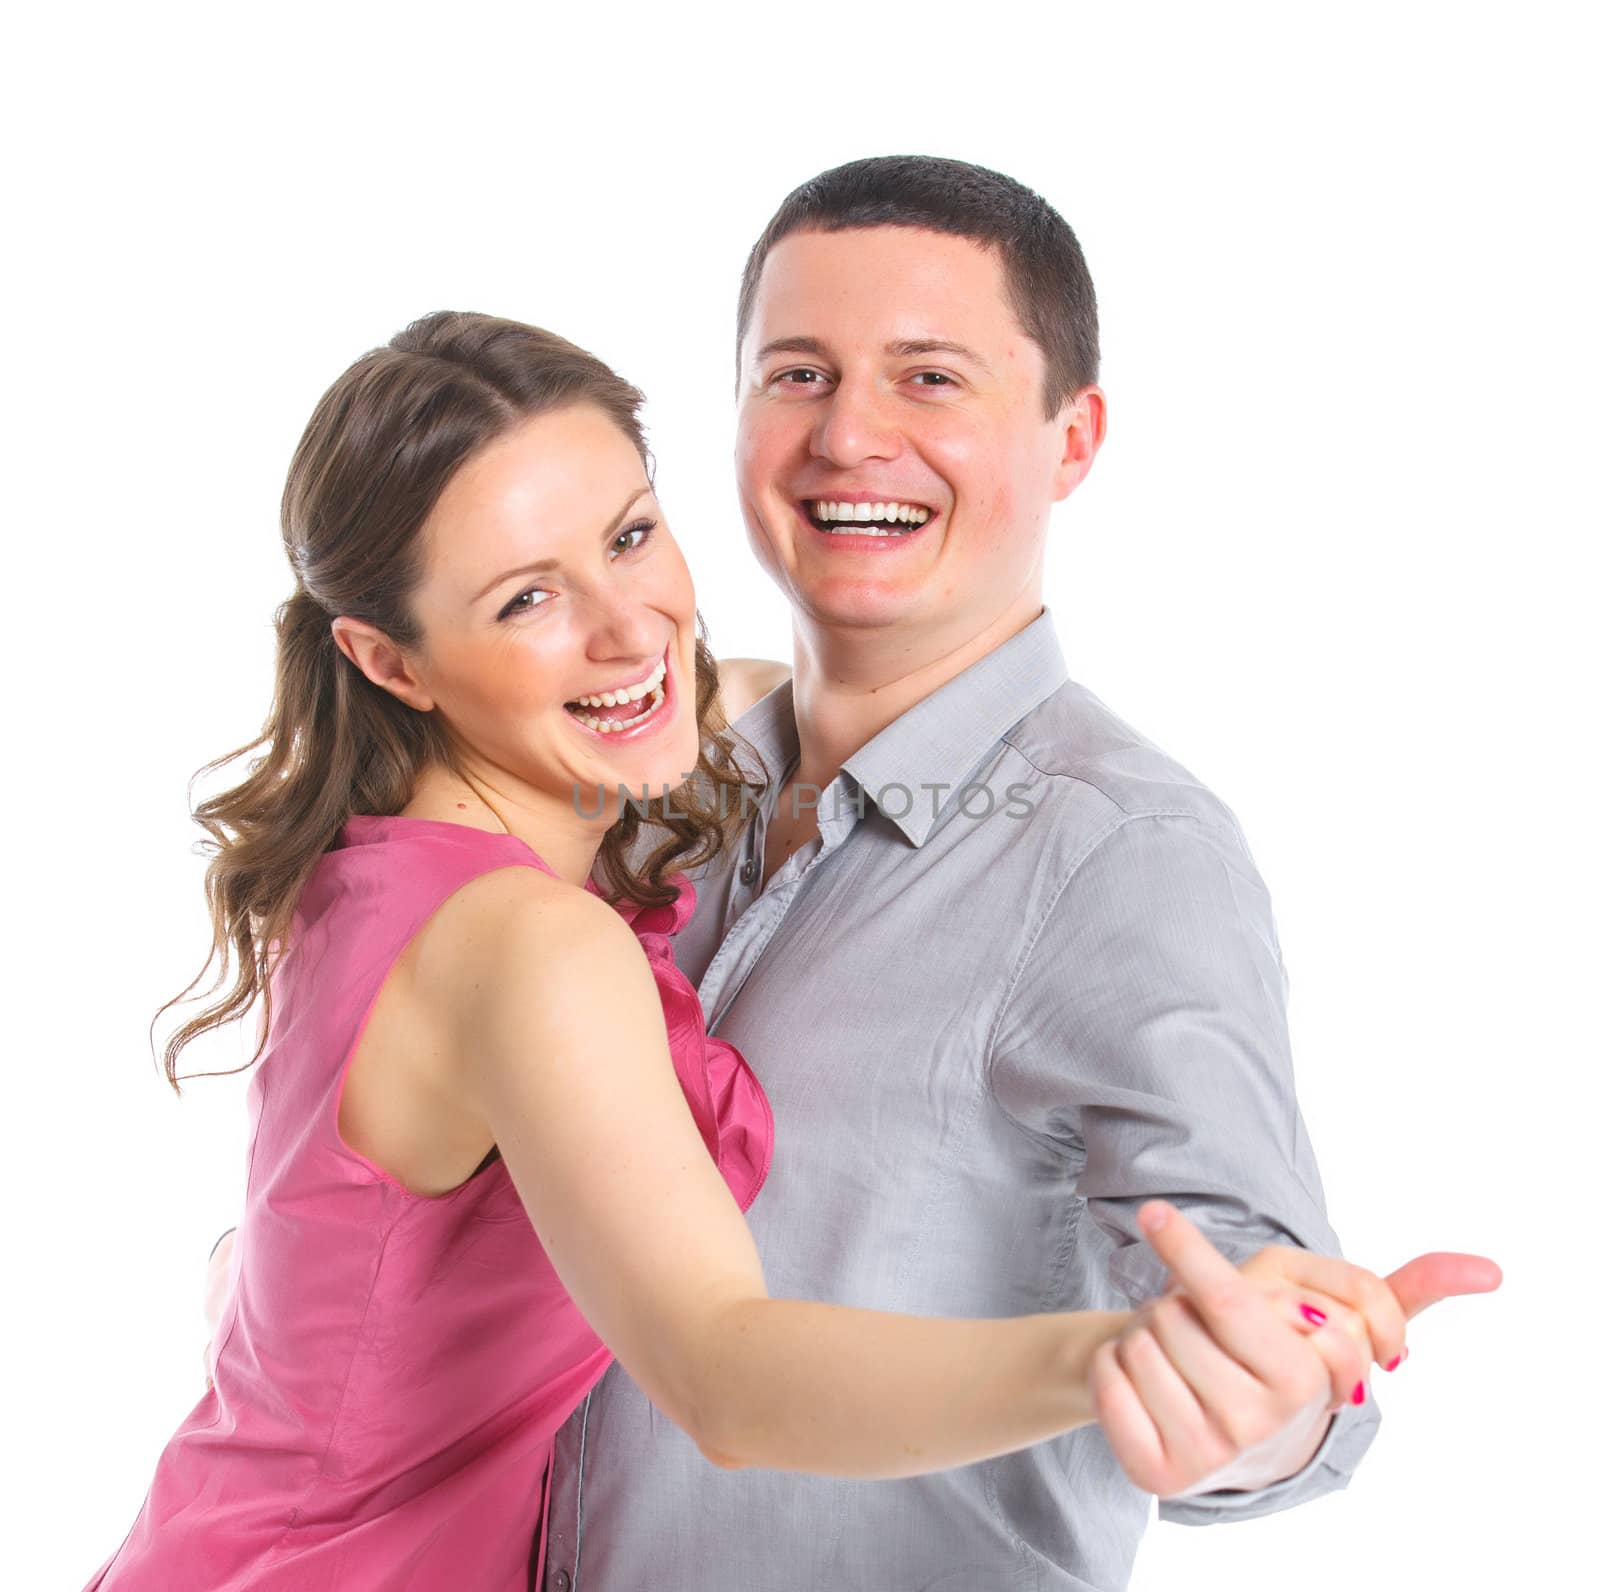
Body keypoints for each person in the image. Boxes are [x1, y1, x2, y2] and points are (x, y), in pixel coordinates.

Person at [90, 310, 1487, 1592]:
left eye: (632, 535)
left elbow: (735, 691)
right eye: (526, 599)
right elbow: (724, 1374)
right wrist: (1116, 1353)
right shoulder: (531, 946)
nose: (628, 624)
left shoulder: (393, 853)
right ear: (390, 661)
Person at [508, 156, 1504, 1590]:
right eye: (798, 374)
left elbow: (1238, 1309)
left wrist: (1252, 1407)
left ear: (1073, 438)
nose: (851, 436)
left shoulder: (1124, 857)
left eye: (930, 379)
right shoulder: (650, 793)